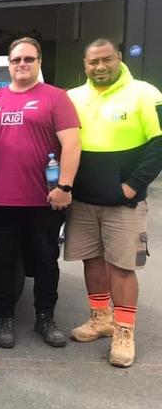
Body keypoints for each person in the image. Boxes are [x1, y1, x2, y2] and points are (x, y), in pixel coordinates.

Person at [65, 38, 162, 367]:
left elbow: (158, 144)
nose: (100, 67)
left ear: (119, 58)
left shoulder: (145, 94)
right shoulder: (73, 98)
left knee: (122, 266)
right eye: (93, 62)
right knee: (91, 261)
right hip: (82, 200)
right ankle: (100, 317)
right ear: (85, 65)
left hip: (124, 203)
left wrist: (133, 186)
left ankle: (124, 331)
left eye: (106, 60)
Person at [0, 37, 81, 349]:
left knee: (46, 261)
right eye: (16, 60)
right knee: (3, 262)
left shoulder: (56, 97)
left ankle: (45, 317)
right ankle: (4, 318)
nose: (21, 65)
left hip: (43, 200)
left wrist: (64, 186)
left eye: (28, 59)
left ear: (39, 62)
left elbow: (72, 145)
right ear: (9, 65)